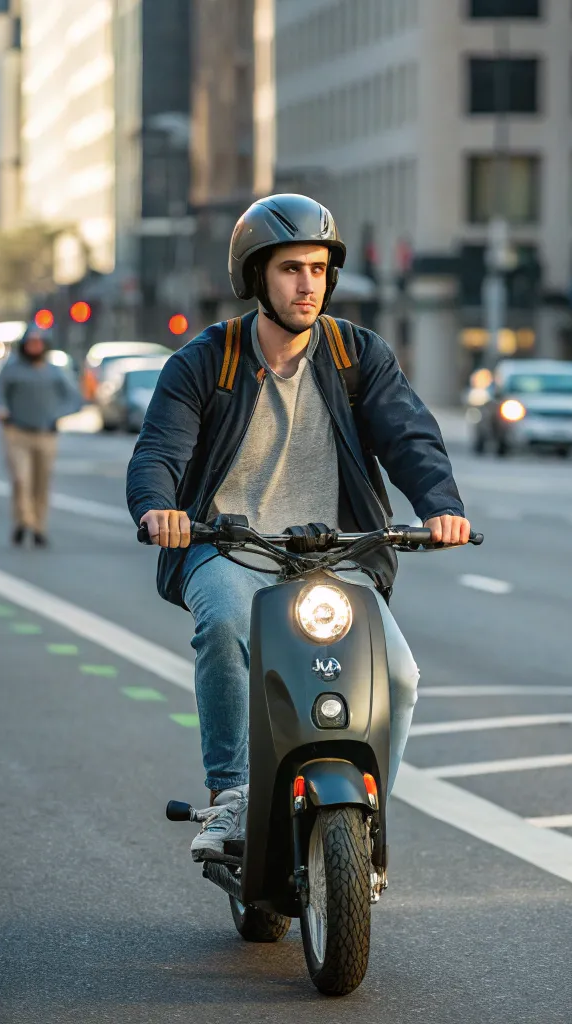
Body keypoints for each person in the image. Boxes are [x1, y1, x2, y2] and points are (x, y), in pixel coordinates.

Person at [126, 194, 471, 862]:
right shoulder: (207, 362)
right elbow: (160, 451)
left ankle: (363, 811)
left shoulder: (355, 355)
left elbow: (409, 437)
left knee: (397, 676)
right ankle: (231, 791)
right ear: (257, 277)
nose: (306, 284)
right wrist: (158, 508)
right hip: (226, 545)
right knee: (225, 625)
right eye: (290, 269)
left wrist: (441, 506)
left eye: (317, 268)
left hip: (332, 552)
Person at [0, 325, 82, 548]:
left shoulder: (54, 371)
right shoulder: (11, 369)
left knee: (41, 483)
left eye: (38, 343)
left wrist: (57, 415)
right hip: (16, 432)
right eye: (30, 343)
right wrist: (1, 408)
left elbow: (74, 399)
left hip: (45, 434)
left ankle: (39, 527)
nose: (34, 347)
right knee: (21, 480)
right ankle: (25, 521)